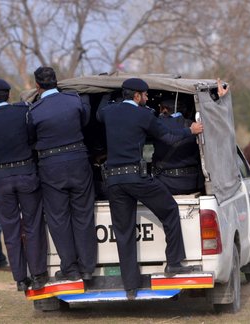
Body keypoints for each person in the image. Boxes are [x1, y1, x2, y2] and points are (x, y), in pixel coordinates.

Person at [97, 77, 205, 300]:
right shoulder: (144, 115)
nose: (147, 99)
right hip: (136, 177)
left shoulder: (108, 113)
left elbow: (99, 111)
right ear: (137, 96)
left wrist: (107, 90)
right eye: (145, 95)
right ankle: (174, 263)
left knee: (123, 232)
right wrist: (191, 131)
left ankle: (130, 287)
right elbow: (168, 136)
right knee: (170, 210)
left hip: (114, 181)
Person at [0, 78, 48, 291]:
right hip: (26, 173)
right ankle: (38, 274)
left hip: (2, 179)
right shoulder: (23, 112)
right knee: (33, 226)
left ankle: (20, 278)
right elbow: (32, 135)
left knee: (11, 229)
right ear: (8, 95)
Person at [27, 67, 97, 283]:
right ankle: (87, 268)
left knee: (59, 219)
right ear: (57, 82)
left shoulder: (34, 111)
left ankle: (70, 268)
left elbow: (30, 138)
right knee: (83, 215)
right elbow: (85, 121)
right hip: (78, 161)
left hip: (50, 166)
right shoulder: (74, 100)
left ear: (37, 86)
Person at [151, 99, 204, 195]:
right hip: (191, 184)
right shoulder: (194, 126)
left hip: (165, 184)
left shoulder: (156, 125)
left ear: (164, 110)